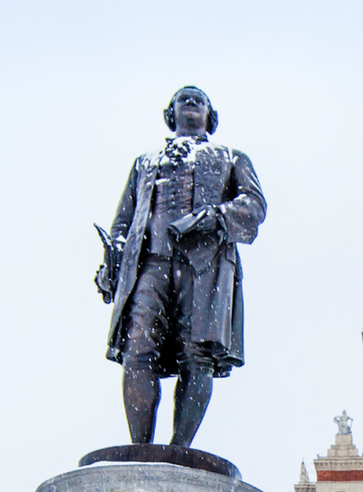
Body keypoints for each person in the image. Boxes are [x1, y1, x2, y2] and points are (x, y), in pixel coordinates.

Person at [97, 86, 265, 446]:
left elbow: (254, 206)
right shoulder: (144, 162)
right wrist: (113, 257)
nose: (190, 101)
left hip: (204, 268)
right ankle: (139, 449)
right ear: (170, 112)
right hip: (150, 266)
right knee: (137, 351)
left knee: (197, 355)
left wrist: (215, 217)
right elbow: (123, 222)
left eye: (199, 99)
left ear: (210, 115)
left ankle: (179, 450)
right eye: (182, 98)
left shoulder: (232, 157)